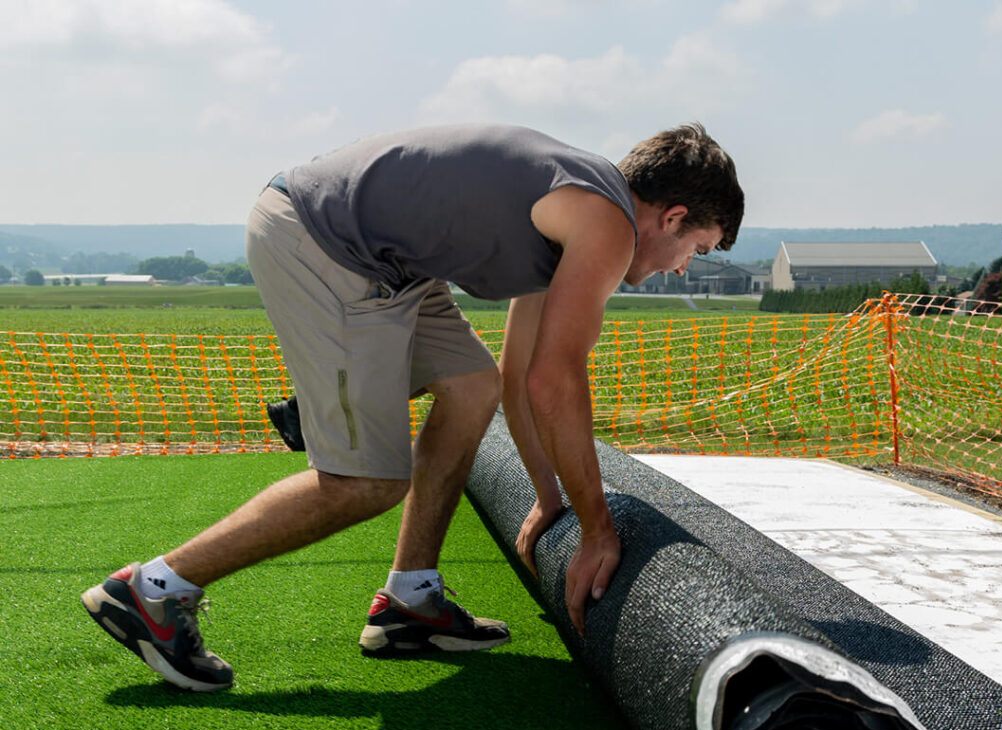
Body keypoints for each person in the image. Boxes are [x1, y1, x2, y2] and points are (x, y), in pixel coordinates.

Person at [81, 122, 743, 692]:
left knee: (469, 384)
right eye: (699, 248)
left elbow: (515, 380)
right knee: (366, 482)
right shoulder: (606, 223)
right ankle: (153, 592)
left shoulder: (579, 205)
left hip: (385, 258)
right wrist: (597, 530)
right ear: (673, 216)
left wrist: (548, 496)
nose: (685, 267)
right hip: (327, 243)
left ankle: (410, 600)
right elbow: (556, 382)